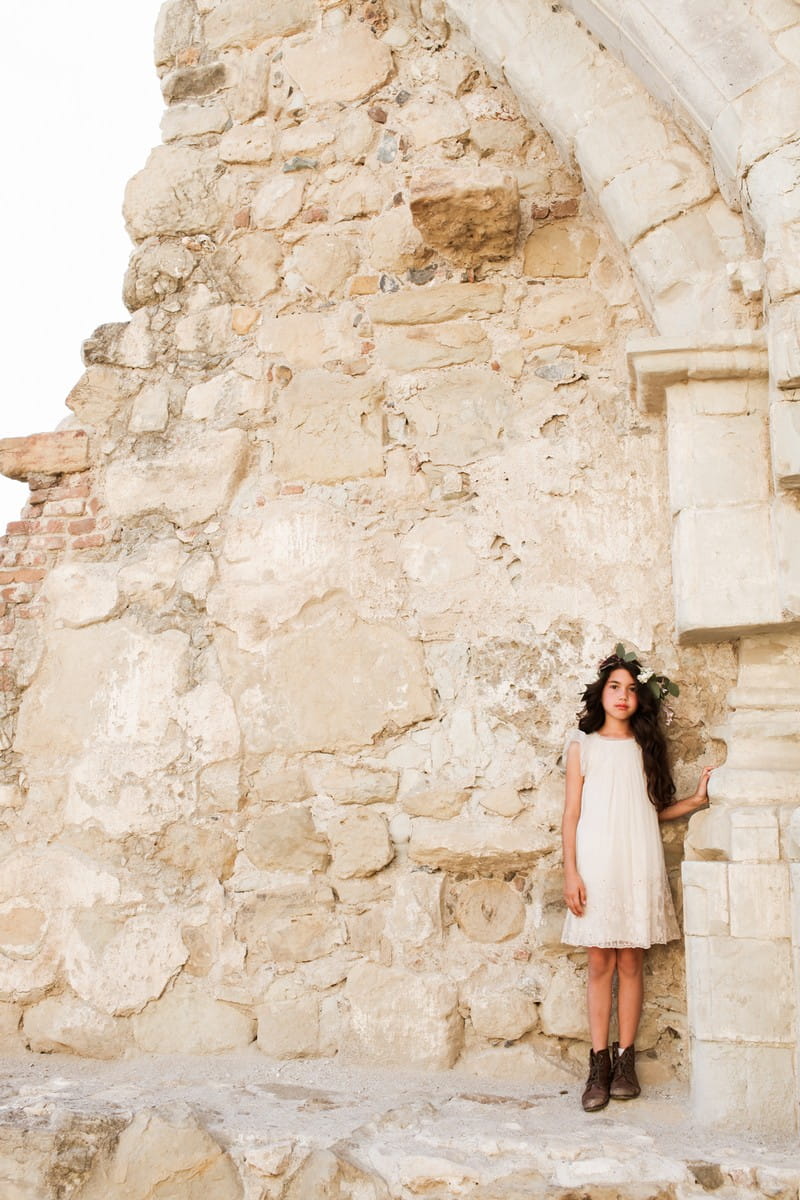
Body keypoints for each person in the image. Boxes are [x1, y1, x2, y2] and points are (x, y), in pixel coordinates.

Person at [561, 646, 712, 1112]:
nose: (623, 696)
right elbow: (571, 815)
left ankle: (626, 1060)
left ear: (640, 698)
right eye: (614, 687)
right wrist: (571, 872)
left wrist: (694, 802)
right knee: (599, 964)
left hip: (637, 862)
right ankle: (598, 1061)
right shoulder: (580, 747)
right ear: (601, 692)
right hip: (597, 865)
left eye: (631, 689)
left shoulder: (646, 748)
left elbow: (651, 809)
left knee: (631, 963)